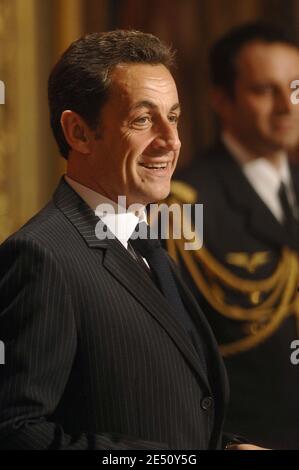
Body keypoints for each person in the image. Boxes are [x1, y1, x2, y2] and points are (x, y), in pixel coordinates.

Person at [0, 29, 261, 451]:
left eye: (173, 117)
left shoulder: (147, 240)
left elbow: (164, 410)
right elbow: (15, 432)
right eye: (143, 120)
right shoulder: (41, 256)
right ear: (78, 132)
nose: (171, 141)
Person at [166, 22, 299, 449]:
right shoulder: (184, 207)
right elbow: (173, 364)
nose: (286, 106)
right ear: (222, 100)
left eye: (295, 89)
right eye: (265, 90)